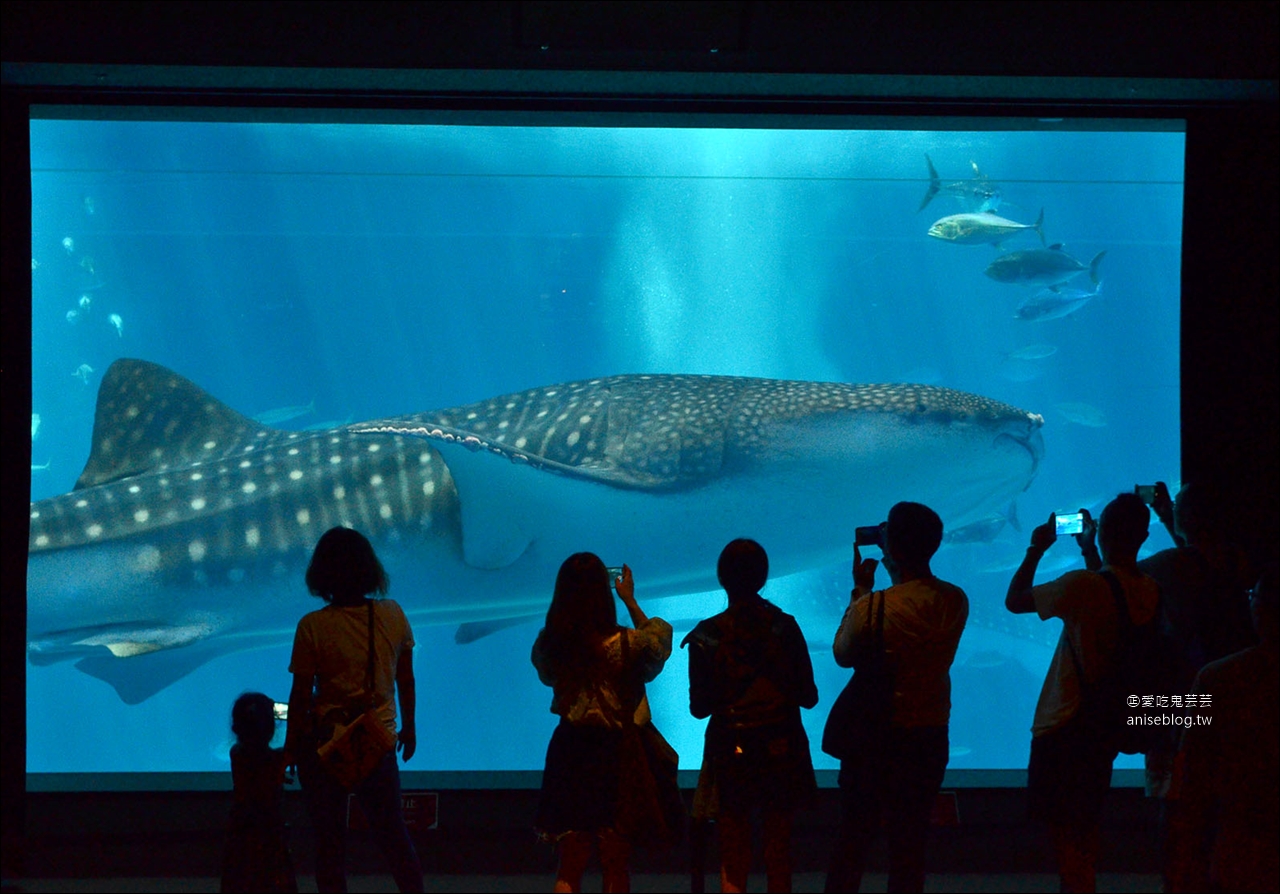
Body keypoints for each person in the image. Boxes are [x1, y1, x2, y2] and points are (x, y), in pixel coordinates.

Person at [1005, 493, 1160, 893]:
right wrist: (1092, 552)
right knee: (1086, 825)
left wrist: (1035, 550)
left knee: (1064, 837)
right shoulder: (1149, 589)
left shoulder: (1082, 585)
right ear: (1144, 535)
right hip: (1105, 724)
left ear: (1101, 531)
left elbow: (1015, 600)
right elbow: (1111, 592)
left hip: (1067, 724)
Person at [825, 501, 969, 894]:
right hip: (928, 737)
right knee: (910, 845)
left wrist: (860, 592)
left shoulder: (874, 606)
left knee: (852, 840)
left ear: (890, 548)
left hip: (874, 739)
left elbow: (842, 654)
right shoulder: (955, 599)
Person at [283, 526, 423, 894]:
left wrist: (290, 747)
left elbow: (300, 696)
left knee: (329, 844)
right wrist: (409, 727)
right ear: (369, 569)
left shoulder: (312, 625)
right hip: (375, 743)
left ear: (321, 574)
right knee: (394, 836)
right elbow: (405, 679)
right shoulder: (393, 615)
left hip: (326, 747)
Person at [682, 538, 819, 894]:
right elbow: (809, 696)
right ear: (763, 577)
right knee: (778, 851)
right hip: (780, 750)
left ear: (721, 578)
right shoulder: (785, 627)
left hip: (731, 751)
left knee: (733, 854)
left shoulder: (705, 636)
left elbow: (698, 709)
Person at [532, 553, 674, 894]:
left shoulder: (550, 644)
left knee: (569, 866)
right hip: (617, 754)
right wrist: (631, 601)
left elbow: (546, 675)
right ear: (604, 591)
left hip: (570, 749)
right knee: (615, 864)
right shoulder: (629, 643)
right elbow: (660, 646)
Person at [1167, 562, 1279, 892]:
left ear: (1258, 608)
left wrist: (1184, 858)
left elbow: (1191, 772)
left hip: (1241, 843)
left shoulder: (1218, 678)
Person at [221, 691, 297, 893]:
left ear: (236, 727)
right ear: (271, 729)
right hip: (270, 832)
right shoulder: (276, 759)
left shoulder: (236, 753)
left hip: (239, 829)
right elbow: (294, 749)